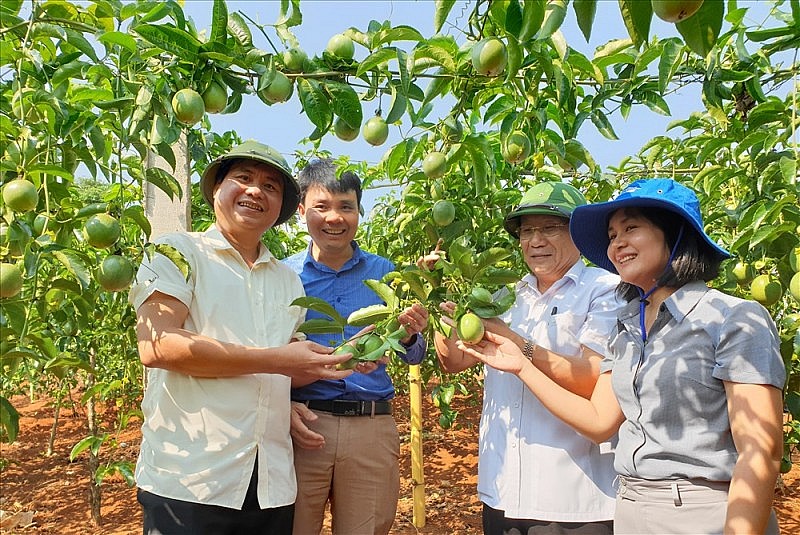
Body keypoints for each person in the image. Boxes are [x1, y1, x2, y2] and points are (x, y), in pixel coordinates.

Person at [457, 178, 786, 534]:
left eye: (631, 228)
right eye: (612, 235)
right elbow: (600, 421)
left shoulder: (733, 318)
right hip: (632, 506)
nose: (618, 243)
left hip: (702, 512)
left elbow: (760, 451)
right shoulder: (628, 328)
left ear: (675, 234)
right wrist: (521, 365)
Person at [129, 141, 354, 534]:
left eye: (270, 186)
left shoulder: (287, 280)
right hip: (192, 479)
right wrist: (276, 360)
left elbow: (285, 372)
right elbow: (157, 345)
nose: (255, 191)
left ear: (282, 208)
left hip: (270, 482)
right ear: (217, 188)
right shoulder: (177, 252)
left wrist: (339, 361)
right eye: (244, 178)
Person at [433, 182, 621, 534]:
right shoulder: (507, 295)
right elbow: (455, 362)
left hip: (574, 498)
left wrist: (519, 343)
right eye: (528, 231)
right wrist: (439, 300)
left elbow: (595, 378)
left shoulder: (605, 290)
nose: (536, 240)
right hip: (504, 490)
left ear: (578, 233)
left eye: (550, 228)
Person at [283, 158, 429, 535]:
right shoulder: (283, 276)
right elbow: (265, 352)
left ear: (358, 211)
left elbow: (414, 353)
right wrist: (282, 405)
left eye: (346, 206)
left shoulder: (384, 272)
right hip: (302, 424)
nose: (335, 217)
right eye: (322, 206)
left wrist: (407, 334)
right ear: (302, 211)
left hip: (370, 425)